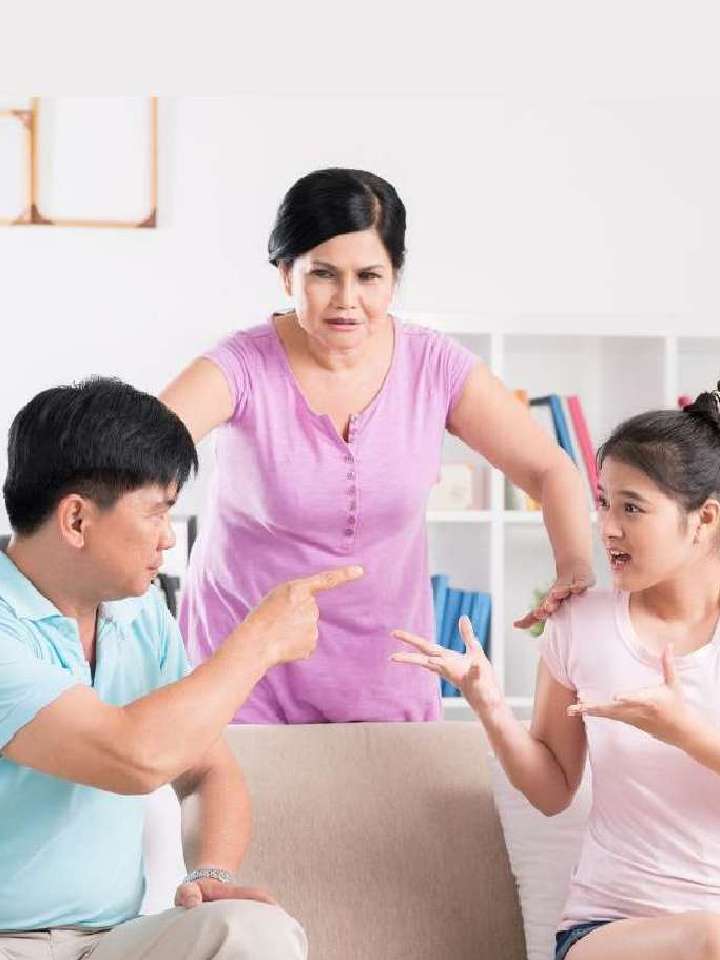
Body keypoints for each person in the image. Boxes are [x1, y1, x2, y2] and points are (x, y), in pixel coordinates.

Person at [162, 166, 594, 725]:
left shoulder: (434, 366)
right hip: (244, 660)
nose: (347, 300)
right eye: (323, 274)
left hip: (386, 663)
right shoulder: (241, 366)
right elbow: (137, 453)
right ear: (286, 274)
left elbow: (550, 470)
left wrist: (573, 565)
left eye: (369, 276)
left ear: (394, 277)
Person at [0, 377, 362, 959]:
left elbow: (205, 770)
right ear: (76, 520)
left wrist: (210, 873)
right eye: (156, 513)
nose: (169, 538)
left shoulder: (139, 611)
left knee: (253, 930)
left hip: (108, 941)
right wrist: (259, 643)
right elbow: (132, 757)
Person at [392, 382, 720, 959]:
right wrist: (491, 706)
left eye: (632, 508)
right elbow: (551, 792)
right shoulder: (579, 624)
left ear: (705, 519)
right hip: (609, 930)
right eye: (603, 502)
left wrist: (684, 732)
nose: (607, 527)